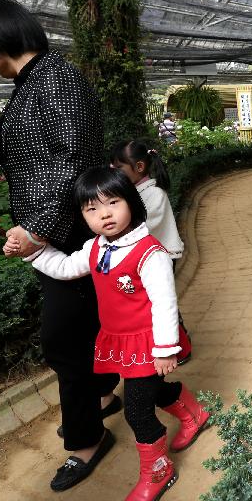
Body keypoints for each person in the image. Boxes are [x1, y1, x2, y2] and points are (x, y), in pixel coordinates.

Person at [0, 0, 119, 492]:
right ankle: (101, 396)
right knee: (87, 328)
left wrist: (39, 230)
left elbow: (75, 160)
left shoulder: (56, 77)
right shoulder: (34, 81)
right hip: (51, 234)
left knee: (63, 341)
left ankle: (86, 442)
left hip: (67, 236)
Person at [16, 167, 209, 501]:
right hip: (120, 342)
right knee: (145, 391)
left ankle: (158, 469)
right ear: (82, 216)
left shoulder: (150, 253)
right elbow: (63, 268)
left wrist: (166, 349)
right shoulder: (94, 248)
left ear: (131, 202)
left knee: (137, 409)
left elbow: (165, 303)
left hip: (150, 343)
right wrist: (32, 252)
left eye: (113, 202)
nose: (104, 214)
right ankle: (192, 410)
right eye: (91, 209)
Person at [110, 139, 191, 365]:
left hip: (161, 257)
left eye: (118, 168)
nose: (114, 172)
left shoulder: (154, 194)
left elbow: (140, 225)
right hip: (147, 258)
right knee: (158, 303)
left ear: (139, 167)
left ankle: (180, 348)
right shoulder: (135, 191)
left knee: (162, 303)